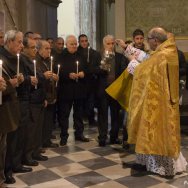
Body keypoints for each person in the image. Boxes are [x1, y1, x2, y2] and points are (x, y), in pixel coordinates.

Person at [126, 27, 187, 177]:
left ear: (156, 40)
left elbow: (145, 73)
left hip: (159, 101)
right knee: (155, 133)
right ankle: (148, 162)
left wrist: (133, 63)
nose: (148, 42)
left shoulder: (162, 55)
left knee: (157, 133)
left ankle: (165, 167)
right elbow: (150, 64)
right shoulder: (167, 52)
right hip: (163, 99)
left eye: (149, 39)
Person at [0, 30, 33, 184]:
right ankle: (6, 171)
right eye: (19, 42)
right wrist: (12, 83)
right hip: (5, 105)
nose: (21, 45)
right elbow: (4, 83)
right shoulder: (3, 58)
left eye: (22, 42)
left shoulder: (17, 58)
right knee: (7, 140)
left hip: (17, 101)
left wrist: (20, 79)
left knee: (16, 137)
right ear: (9, 42)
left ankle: (14, 165)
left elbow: (21, 77)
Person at [57, 35, 89, 146]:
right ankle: (64, 136)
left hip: (79, 89)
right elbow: (58, 72)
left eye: (75, 44)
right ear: (66, 44)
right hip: (66, 90)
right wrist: (68, 75)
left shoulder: (81, 56)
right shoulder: (60, 56)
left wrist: (83, 73)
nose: (74, 46)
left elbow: (87, 69)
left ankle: (79, 134)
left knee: (79, 114)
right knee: (64, 115)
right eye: (72, 44)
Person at [97, 35, 128, 146]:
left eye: (112, 44)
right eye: (108, 44)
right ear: (104, 44)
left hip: (115, 89)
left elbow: (123, 73)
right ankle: (102, 137)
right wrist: (104, 63)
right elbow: (96, 72)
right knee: (103, 114)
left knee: (115, 114)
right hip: (103, 90)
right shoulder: (98, 56)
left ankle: (114, 137)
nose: (110, 46)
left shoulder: (120, 57)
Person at [36, 40, 59, 149]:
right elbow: (38, 78)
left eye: (50, 48)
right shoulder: (36, 61)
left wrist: (55, 77)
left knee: (49, 120)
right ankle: (40, 143)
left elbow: (51, 76)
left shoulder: (49, 61)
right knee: (42, 122)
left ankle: (47, 140)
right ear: (39, 49)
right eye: (46, 48)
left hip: (51, 94)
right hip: (42, 95)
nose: (49, 50)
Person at [77, 34, 101, 126]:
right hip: (80, 81)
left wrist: (91, 71)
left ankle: (91, 118)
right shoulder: (76, 53)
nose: (84, 43)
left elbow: (99, 66)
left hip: (91, 81)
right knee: (81, 103)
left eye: (85, 41)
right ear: (79, 42)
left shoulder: (94, 53)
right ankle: (81, 120)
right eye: (82, 41)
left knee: (91, 102)